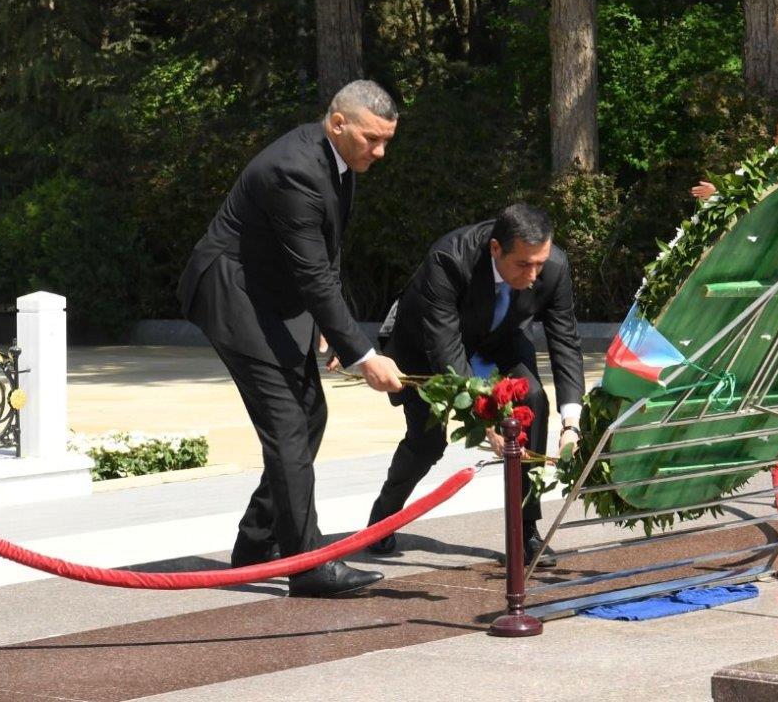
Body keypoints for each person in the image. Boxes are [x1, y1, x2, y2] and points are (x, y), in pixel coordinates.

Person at [178, 80, 405, 598]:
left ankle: (257, 545)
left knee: (309, 415)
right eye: (372, 139)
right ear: (338, 123)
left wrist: (334, 328)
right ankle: (307, 565)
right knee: (287, 423)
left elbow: (326, 253)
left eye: (387, 140)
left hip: (271, 294)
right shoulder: (294, 168)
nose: (380, 152)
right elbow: (313, 274)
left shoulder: (339, 162)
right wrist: (364, 354)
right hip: (232, 293)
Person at [366, 203, 584, 566]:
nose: (534, 275)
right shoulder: (449, 260)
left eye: (540, 264)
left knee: (532, 398)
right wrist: (486, 423)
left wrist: (571, 424)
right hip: (429, 347)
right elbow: (447, 353)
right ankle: (384, 517)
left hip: (500, 339)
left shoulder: (554, 266)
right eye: (523, 265)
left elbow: (565, 341)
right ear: (496, 249)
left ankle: (525, 529)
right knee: (427, 442)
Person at [691, 115, 778, 201]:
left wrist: (717, 192)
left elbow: (749, 189)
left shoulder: (777, 162)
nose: (774, 138)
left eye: (777, 133)